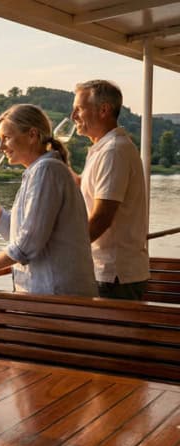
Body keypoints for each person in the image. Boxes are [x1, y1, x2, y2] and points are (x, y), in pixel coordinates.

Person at [0, 104, 97, 296]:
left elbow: (28, 242)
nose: (1, 147)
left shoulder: (46, 170)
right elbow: (14, 232)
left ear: (32, 135)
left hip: (58, 298)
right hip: (52, 297)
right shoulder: (39, 171)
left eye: (6, 138)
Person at [71, 80, 149, 300]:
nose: (73, 116)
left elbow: (102, 217)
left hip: (113, 274)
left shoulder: (113, 151)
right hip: (107, 271)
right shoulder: (104, 148)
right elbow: (88, 190)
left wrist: (67, 249)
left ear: (104, 110)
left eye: (79, 109)